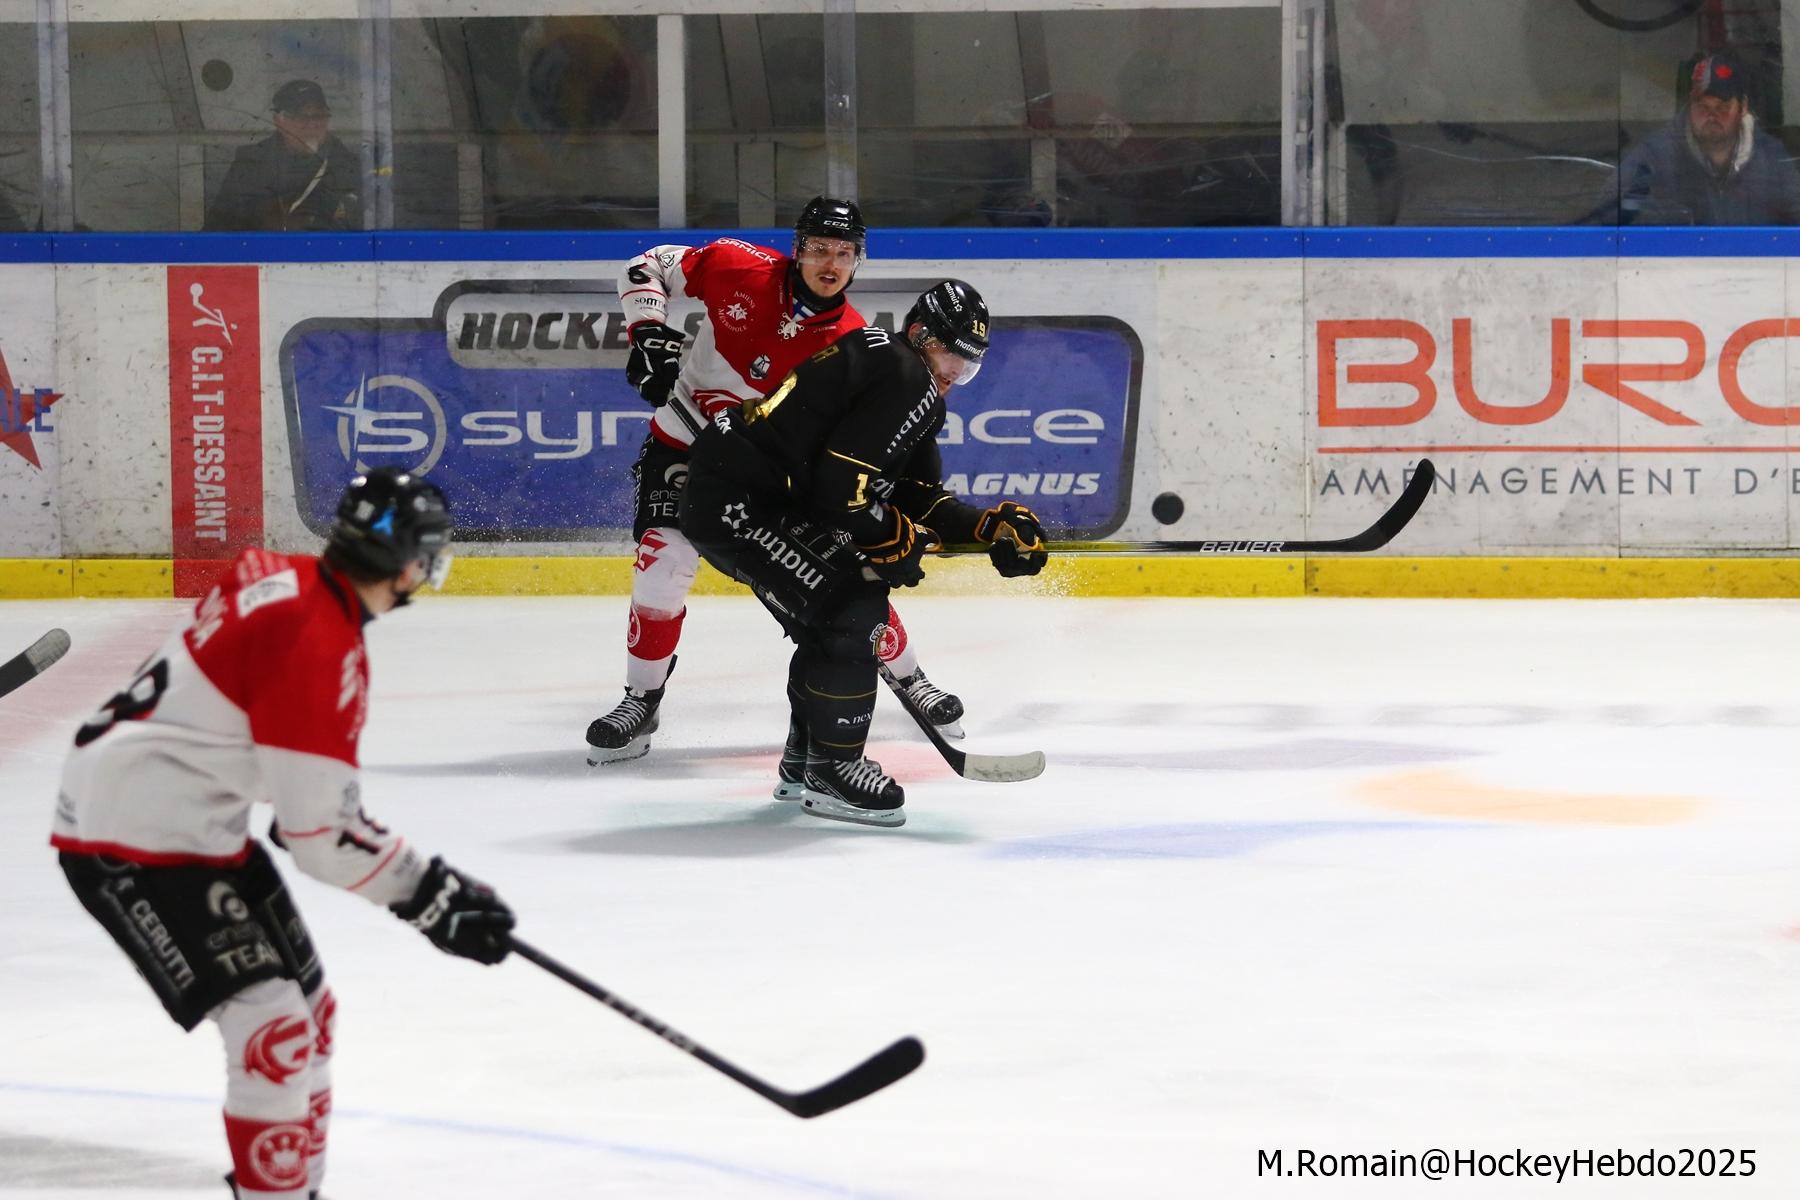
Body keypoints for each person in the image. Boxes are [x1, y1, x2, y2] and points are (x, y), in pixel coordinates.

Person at [52, 469, 515, 1200]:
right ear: (409, 565)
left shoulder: (287, 579)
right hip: (129, 834)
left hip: (188, 816)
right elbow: (319, 841)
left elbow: (236, 709)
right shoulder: (319, 646)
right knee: (272, 1027)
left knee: (311, 1015)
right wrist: (430, 896)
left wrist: (279, 779)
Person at [587, 197, 969, 764]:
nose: (830, 264)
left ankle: (909, 676)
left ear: (859, 260)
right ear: (798, 249)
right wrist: (647, 332)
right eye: (819, 249)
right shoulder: (738, 265)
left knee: (829, 577)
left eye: (844, 253)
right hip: (683, 444)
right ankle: (641, 699)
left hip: (760, 472)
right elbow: (647, 264)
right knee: (663, 560)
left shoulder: (852, 340)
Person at [678, 280, 1048, 828]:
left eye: (968, 365)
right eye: (949, 355)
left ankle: (809, 760)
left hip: (742, 495)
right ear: (919, 334)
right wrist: (890, 535)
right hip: (739, 503)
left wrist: (985, 526)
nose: (954, 374)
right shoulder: (906, 376)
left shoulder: (898, 372)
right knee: (851, 609)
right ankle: (834, 768)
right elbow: (841, 490)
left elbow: (915, 496)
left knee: (827, 619)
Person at [1617, 49, 1800, 225]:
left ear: (1743, 107)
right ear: (1689, 104)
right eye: (1702, 106)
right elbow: (1609, 219)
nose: (1712, 115)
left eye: (1723, 106)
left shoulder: (1771, 158)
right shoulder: (1654, 156)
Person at [204, 80, 362, 232]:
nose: (312, 124)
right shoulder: (251, 164)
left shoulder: (348, 166)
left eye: (319, 116)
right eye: (300, 117)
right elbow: (217, 230)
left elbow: (362, 231)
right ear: (279, 121)